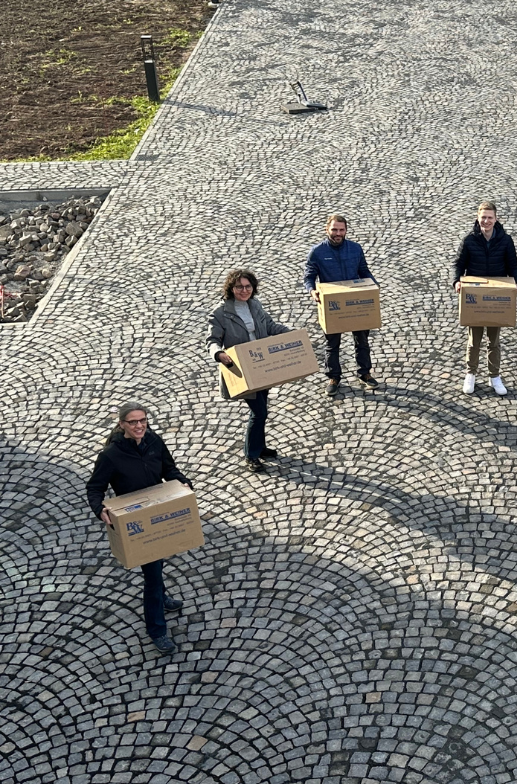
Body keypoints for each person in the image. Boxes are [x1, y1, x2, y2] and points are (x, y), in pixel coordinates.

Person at [85, 402, 194, 655]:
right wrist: (99, 509)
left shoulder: (154, 441)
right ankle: (157, 630)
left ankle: (163, 600)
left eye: (142, 420)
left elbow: (169, 469)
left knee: (158, 563)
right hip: (137, 523)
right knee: (153, 576)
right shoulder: (110, 456)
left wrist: (183, 483)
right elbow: (95, 487)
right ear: (122, 424)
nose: (139, 426)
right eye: (132, 422)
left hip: (159, 513)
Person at [206, 269, 292, 473]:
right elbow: (212, 341)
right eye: (239, 287)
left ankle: (260, 447)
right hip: (241, 368)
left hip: (262, 364)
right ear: (231, 288)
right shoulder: (220, 312)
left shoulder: (255, 305)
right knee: (259, 411)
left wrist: (292, 334)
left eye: (248, 287)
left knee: (262, 408)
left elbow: (270, 326)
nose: (244, 291)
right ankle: (251, 454)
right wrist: (218, 354)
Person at [304, 214, 379, 396]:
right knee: (332, 344)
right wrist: (312, 291)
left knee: (362, 341)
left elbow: (363, 270)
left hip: (356, 302)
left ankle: (365, 373)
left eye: (341, 230)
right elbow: (309, 276)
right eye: (334, 230)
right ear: (327, 230)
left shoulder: (355, 248)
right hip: (332, 305)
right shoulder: (317, 252)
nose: (338, 233)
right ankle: (334, 377)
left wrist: (374, 286)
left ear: (346, 230)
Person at [453, 201, 517, 396]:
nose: (486, 221)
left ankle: (494, 376)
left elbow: (513, 265)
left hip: (497, 296)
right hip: (475, 296)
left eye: (490, 217)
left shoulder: (506, 240)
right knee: (474, 340)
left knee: (494, 340)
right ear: (478, 218)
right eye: (483, 217)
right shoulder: (469, 240)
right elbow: (458, 265)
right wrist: (456, 282)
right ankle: (471, 374)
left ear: (496, 219)